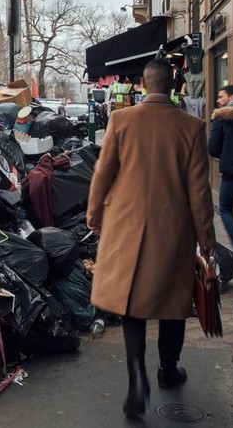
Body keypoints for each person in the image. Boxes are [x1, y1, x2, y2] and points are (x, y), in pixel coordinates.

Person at [86, 59, 216, 417]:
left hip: (126, 227)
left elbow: (103, 174)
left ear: (142, 85)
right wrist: (206, 239)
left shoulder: (122, 121)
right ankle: (167, 368)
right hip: (172, 230)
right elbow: (200, 191)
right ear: (174, 86)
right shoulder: (191, 127)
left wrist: (94, 215)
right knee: (173, 303)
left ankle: (136, 377)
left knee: (132, 305)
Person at [208, 84, 233, 263]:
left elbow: (213, 149)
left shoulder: (221, 118)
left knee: (225, 209)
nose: (218, 101)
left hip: (231, 174)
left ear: (232, 98)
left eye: (221, 97)